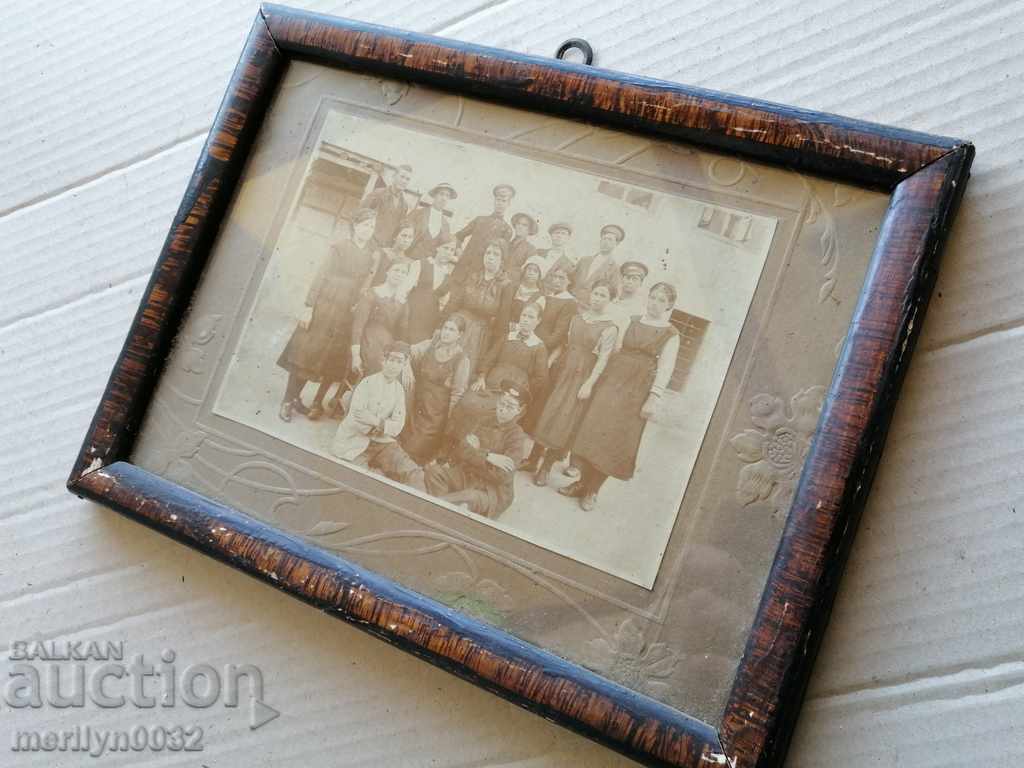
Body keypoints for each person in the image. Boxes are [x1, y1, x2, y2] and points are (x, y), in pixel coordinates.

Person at [569, 282, 681, 511]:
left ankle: (593, 490)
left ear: (669, 305)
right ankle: (581, 483)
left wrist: (653, 398)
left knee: (614, 439)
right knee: (594, 429)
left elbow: (666, 368)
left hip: (637, 389)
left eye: (661, 300)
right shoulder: (632, 320)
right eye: (653, 297)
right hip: (613, 380)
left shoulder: (671, 334)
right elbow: (615, 348)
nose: (655, 303)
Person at [276, 207, 378, 422]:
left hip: (344, 311)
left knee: (318, 357)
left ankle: (296, 398)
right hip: (325, 304)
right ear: (355, 225)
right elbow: (321, 275)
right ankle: (287, 400)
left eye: (372, 226)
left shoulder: (369, 256)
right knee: (305, 352)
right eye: (365, 224)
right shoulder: (340, 247)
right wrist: (309, 307)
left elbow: (363, 285)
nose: (368, 230)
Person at [528, 281, 619, 487]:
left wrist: (589, 384)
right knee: (546, 413)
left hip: (581, 375)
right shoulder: (576, 318)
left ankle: (546, 468)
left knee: (563, 421)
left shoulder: (609, 327)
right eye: (595, 293)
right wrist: (549, 363)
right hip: (562, 369)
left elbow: (603, 359)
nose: (597, 298)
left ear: (610, 300)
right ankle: (533, 460)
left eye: (603, 295)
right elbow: (564, 345)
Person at [425, 382, 530, 518]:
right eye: (502, 403)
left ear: (519, 410)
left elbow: (502, 475)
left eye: (510, 407)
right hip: (468, 475)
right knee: (434, 472)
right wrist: (488, 457)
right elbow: (461, 450)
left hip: (491, 490)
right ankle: (448, 509)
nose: (503, 409)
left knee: (470, 497)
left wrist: (475, 453)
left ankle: (437, 508)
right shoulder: (483, 419)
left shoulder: (516, 436)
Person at [330, 342, 425, 488]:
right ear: (383, 361)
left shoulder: (399, 390)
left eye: (399, 362)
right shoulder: (367, 383)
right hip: (355, 440)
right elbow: (357, 415)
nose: (394, 366)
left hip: (382, 442)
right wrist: (383, 424)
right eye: (391, 360)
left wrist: (377, 423)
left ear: (404, 365)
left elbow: (397, 426)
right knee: (364, 482)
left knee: (415, 473)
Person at [400, 315, 471, 465]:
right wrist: (406, 367)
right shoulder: (431, 344)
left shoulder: (462, 360)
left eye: (452, 330)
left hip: (434, 417)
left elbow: (457, 394)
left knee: (410, 453)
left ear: (460, 335)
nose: (446, 332)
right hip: (415, 406)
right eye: (445, 328)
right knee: (395, 447)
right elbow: (406, 350)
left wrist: (446, 426)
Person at [444, 238, 510, 377]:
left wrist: (485, 369)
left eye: (496, 254)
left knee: (461, 373)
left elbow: (502, 325)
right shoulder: (473, 275)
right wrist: (441, 326)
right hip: (458, 325)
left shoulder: (505, 285)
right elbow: (454, 302)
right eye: (488, 253)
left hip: (478, 334)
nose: (490, 257)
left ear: (502, 260)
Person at [349, 260, 412, 384]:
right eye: (396, 270)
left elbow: (402, 333)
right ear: (387, 272)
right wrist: (355, 355)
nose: (399, 274)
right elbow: (358, 326)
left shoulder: (403, 301)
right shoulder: (373, 293)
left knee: (398, 370)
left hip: (388, 342)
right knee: (380, 365)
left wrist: (405, 358)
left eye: (404, 272)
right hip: (366, 338)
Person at [452, 184, 515, 283]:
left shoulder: (507, 230)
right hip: (462, 267)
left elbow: (501, 256)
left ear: (509, 204)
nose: (500, 204)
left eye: (504, 201)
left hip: (480, 275)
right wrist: (459, 252)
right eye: (498, 200)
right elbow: (459, 236)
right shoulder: (480, 220)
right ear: (494, 201)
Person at [405, 233, 459, 344]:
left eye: (452, 250)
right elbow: (405, 290)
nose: (448, 252)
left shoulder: (448, 276)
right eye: (445, 248)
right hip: (410, 314)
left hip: (428, 322)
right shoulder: (420, 264)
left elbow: (443, 304)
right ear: (437, 247)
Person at [570, 224, 624, 307]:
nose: (606, 242)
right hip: (569, 301)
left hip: (588, 307)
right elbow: (570, 279)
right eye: (604, 239)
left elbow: (613, 293)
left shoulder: (615, 268)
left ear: (616, 244)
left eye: (610, 240)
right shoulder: (584, 260)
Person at [361, 164, 413, 248]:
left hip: (384, 248)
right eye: (402, 177)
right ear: (394, 176)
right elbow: (359, 215)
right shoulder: (378, 194)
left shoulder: (404, 205)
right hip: (367, 243)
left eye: (407, 179)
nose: (404, 181)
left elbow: (397, 230)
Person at [497, 256, 546, 336]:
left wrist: (517, 327)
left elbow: (533, 321)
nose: (531, 273)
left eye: (535, 271)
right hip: (500, 328)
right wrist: (504, 326)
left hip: (520, 333)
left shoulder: (540, 297)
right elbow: (503, 309)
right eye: (529, 269)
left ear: (540, 275)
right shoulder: (512, 287)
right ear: (524, 271)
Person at [408, 182, 456, 261]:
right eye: (441, 194)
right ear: (434, 195)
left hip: (427, 265)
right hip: (409, 257)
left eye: (447, 196)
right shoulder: (417, 213)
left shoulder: (446, 225)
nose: (444, 198)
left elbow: (443, 247)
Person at [370, 220, 417, 299]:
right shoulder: (381, 253)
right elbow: (370, 277)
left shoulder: (410, 263)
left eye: (410, 237)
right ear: (395, 236)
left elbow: (405, 289)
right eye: (404, 236)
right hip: (372, 295)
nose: (406, 240)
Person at [611, 260, 649, 343]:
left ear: (640, 283)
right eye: (627, 277)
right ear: (622, 279)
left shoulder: (639, 310)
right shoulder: (611, 300)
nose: (630, 282)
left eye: (635, 279)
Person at [506, 212, 538, 280]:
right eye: (518, 223)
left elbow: (527, 272)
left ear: (529, 230)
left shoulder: (531, 249)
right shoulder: (506, 244)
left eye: (524, 225)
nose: (520, 226)